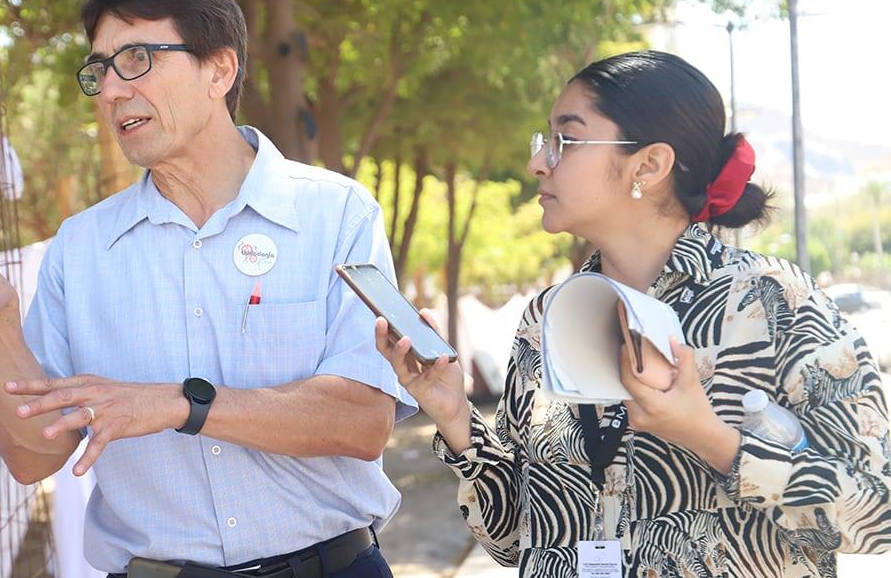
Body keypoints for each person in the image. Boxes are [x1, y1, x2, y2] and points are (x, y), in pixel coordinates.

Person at [0, 0, 413, 578]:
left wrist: (178, 404)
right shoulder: (79, 250)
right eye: (100, 70)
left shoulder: (337, 214)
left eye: (137, 59)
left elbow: (363, 420)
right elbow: (33, 457)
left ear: (219, 68)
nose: (111, 91)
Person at [376, 51, 891, 576]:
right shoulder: (546, 318)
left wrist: (711, 439)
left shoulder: (771, 302)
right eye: (544, 141)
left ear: (648, 165)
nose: (538, 162)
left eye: (566, 141)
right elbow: (515, 541)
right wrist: (456, 420)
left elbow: (878, 514)